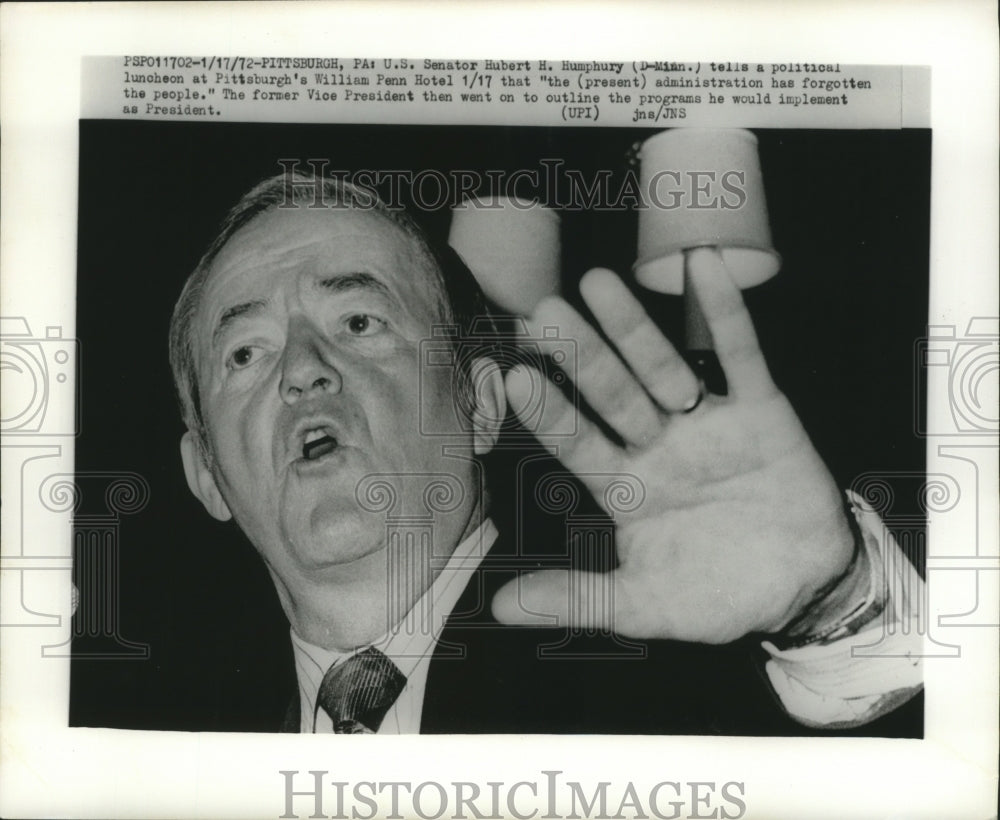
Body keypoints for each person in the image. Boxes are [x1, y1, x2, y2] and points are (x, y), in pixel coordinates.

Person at [168, 171, 923, 735]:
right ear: (207, 475)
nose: (302, 367)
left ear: (481, 407)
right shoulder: (154, 736)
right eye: (244, 353)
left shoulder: (654, 672)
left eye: (360, 321)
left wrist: (832, 607)